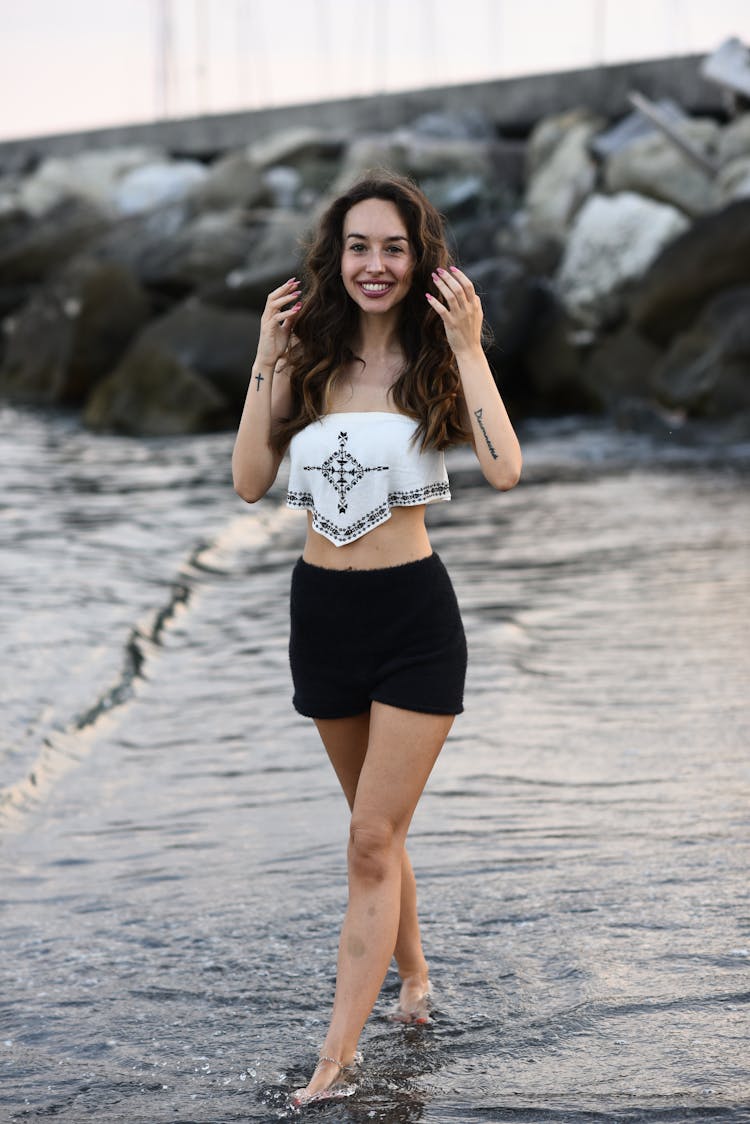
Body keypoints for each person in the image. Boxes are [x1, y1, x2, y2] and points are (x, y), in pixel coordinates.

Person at [232, 171, 522, 1106]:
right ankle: (417, 979)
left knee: (367, 839)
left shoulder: (440, 359)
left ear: (418, 258)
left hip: (412, 620)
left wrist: (472, 348)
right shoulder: (307, 359)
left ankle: (336, 1060)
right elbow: (247, 481)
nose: (375, 264)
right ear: (337, 256)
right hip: (321, 617)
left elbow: (505, 467)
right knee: (377, 829)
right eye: (359, 246)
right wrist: (266, 357)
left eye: (394, 247)